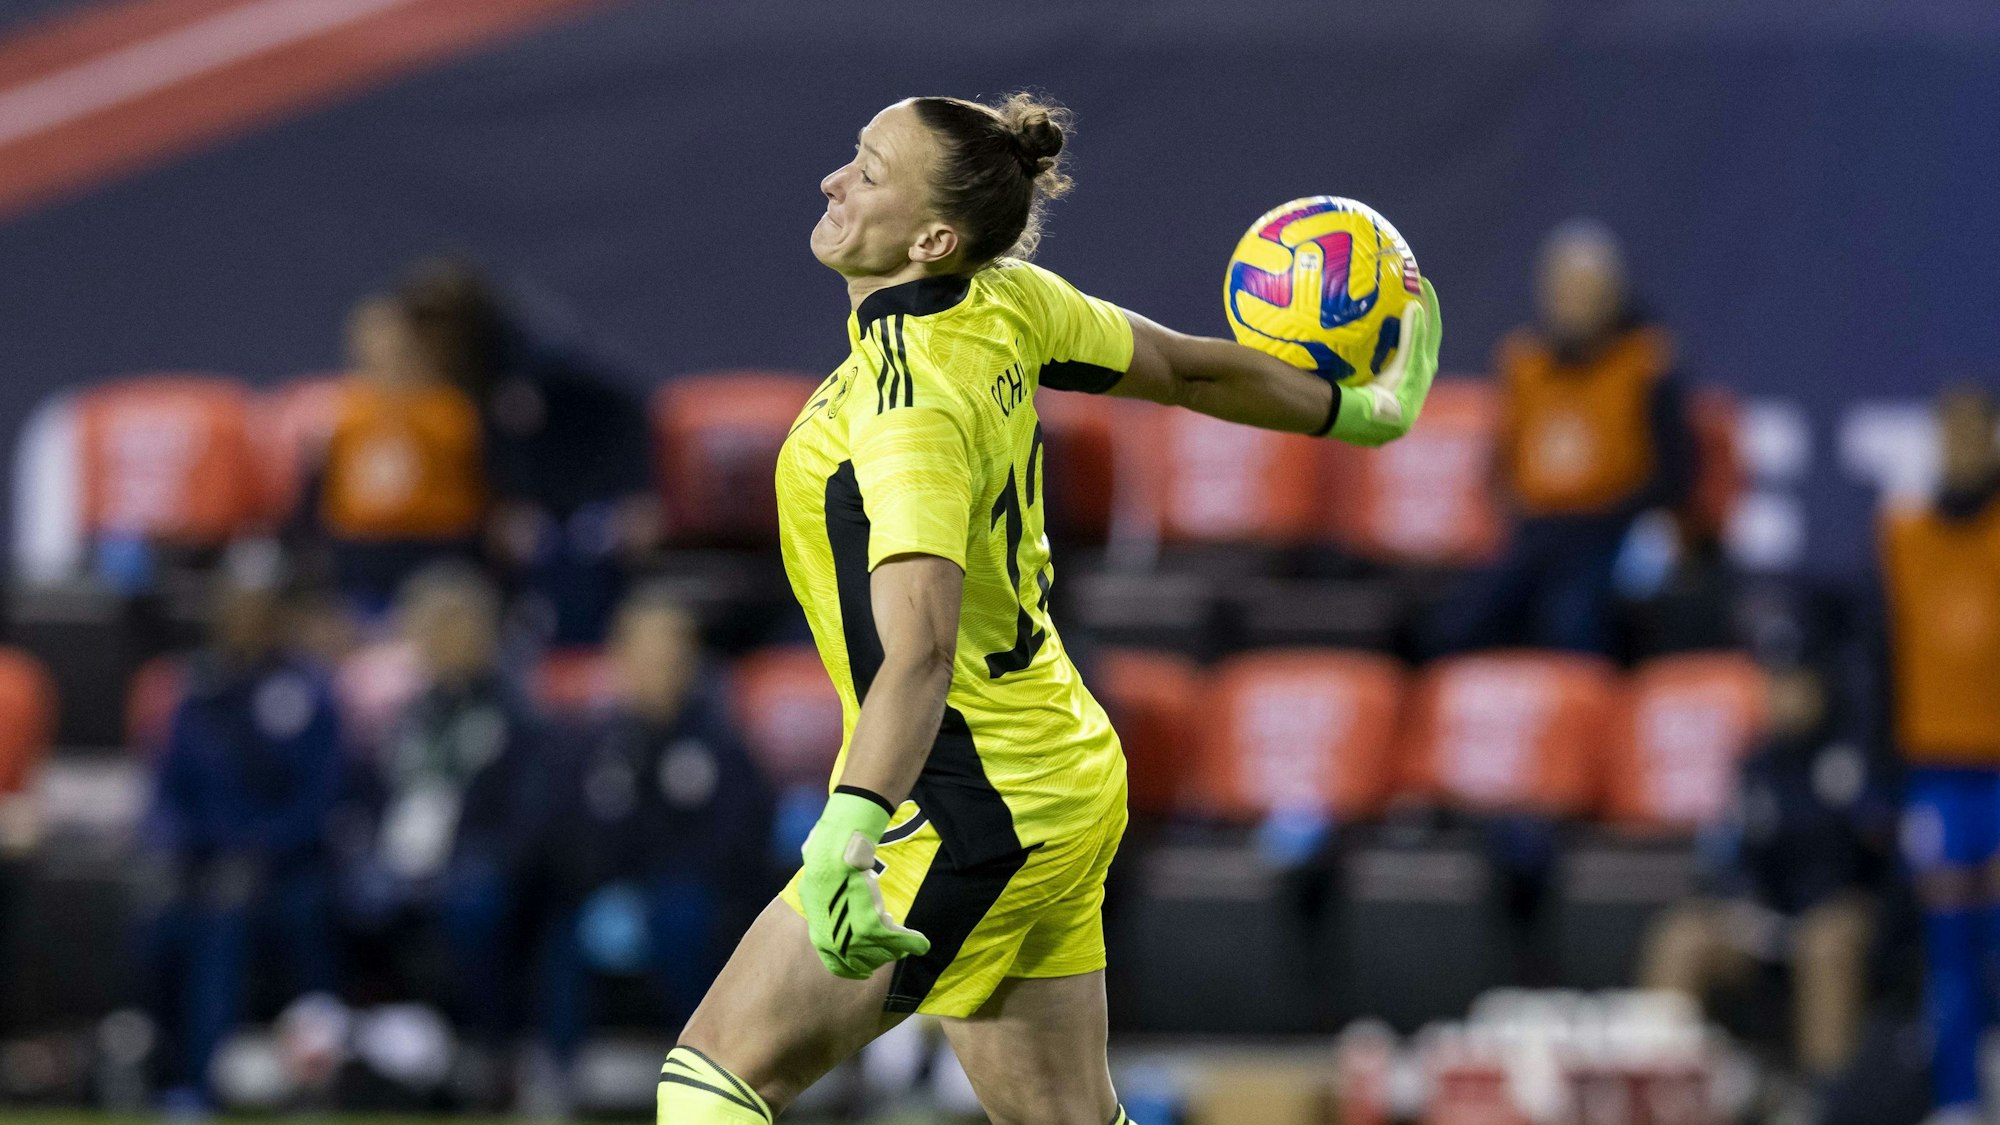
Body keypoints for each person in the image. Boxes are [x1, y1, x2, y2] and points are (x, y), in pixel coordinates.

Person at [655, 93, 1441, 1125]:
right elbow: (1189, 368)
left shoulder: (905, 406)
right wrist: (1357, 411)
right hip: (1057, 771)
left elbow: (922, 652)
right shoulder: (1008, 305)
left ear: (932, 237)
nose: (832, 182)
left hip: (966, 805)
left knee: (711, 1085)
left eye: (867, 171)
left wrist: (847, 828)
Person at [1426, 220, 1694, 657]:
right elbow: (1503, 461)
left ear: (1613, 295)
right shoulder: (1523, 363)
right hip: (1538, 527)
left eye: (1585, 292)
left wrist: (1614, 515)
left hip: (1612, 530)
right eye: (1562, 291)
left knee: (1571, 620)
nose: (1571, 305)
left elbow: (1674, 473)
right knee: (1461, 619)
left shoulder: (1647, 363)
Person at [542, 587, 773, 1077]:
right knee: (558, 927)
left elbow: (738, 843)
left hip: (696, 896)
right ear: (620, 662)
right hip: (610, 889)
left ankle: (707, 1065)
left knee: (684, 920)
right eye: (645, 657)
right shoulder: (593, 744)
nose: (660, 671)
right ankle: (559, 1074)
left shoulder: (721, 743)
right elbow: (569, 833)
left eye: (672, 656)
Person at [133, 573, 343, 1110]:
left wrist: (261, 850)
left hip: (285, 869)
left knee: (222, 929)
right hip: (201, 861)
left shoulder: (307, 691)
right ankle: (158, 1076)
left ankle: (202, 1087)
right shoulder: (199, 688)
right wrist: (172, 848)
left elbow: (321, 800)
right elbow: (167, 790)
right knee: (153, 924)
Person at [1638, 650, 1895, 1091]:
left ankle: (1824, 1101)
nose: (1783, 696)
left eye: (1794, 681)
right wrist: (1738, 901)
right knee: (1682, 937)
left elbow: (1883, 861)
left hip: (1840, 917)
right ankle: (1661, 1087)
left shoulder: (1856, 761)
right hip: (1765, 919)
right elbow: (1724, 855)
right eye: (1773, 682)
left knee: (1826, 942)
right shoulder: (1754, 765)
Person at [336, 564, 550, 1086]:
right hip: (400, 863)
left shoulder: (514, 715)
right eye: (425, 630)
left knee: (474, 906)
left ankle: (490, 1053)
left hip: (478, 863)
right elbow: (370, 797)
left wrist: (472, 859)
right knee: (333, 900)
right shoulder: (409, 715)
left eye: (446, 628)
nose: (433, 643)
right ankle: (356, 1049)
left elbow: (530, 817)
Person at [398, 258, 658, 644]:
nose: (427, 345)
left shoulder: (539, 361)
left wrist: (639, 493)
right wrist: (507, 507)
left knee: (573, 560)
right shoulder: (474, 378)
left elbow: (627, 406)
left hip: (592, 501)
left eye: (433, 329)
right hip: (546, 512)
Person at [1879, 386, 2000, 1125]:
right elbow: (1882, 656)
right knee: (1948, 945)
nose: (1959, 451)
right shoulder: (1903, 537)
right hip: (1937, 772)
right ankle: (1958, 1099)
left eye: (1972, 435)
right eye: (1946, 436)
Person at [313, 295, 488, 615]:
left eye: (396, 346)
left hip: (435, 550)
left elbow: (474, 485)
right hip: (361, 553)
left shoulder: (449, 412)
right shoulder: (342, 412)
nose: (384, 355)